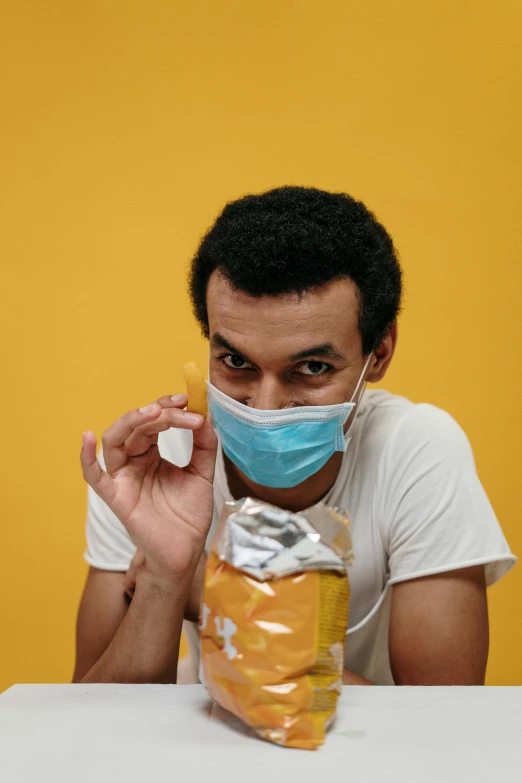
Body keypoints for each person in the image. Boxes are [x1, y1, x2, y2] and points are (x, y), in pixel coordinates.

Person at [75, 186, 515, 686]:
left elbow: (441, 724)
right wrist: (167, 577)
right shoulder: (154, 462)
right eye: (236, 362)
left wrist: (222, 598)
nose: (265, 406)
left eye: (311, 367)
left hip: (371, 766)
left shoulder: (415, 450)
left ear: (381, 353)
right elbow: (90, 722)